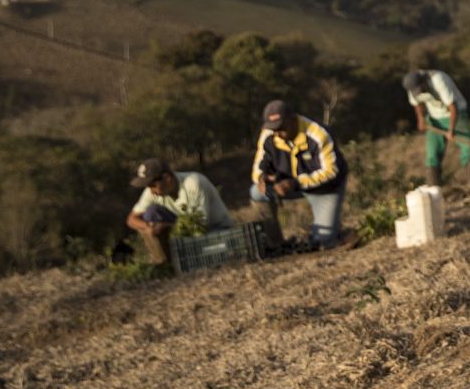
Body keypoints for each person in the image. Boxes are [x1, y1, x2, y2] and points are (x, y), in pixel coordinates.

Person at [248, 98, 354, 250]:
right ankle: (274, 242)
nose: (277, 133)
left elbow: (331, 171)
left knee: (323, 241)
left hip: (324, 188)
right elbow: (258, 166)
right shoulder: (269, 134)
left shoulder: (317, 134)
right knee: (256, 192)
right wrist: (262, 177)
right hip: (286, 184)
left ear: (293, 120)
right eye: (273, 129)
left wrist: (295, 183)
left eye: (281, 128)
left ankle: (333, 232)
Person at [123, 157, 233, 266]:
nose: (151, 190)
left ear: (166, 178)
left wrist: (168, 226)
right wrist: (148, 227)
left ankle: (190, 257)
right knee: (151, 213)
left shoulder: (193, 182)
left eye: (152, 185)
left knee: (217, 250)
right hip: (184, 229)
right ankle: (165, 263)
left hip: (214, 229)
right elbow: (131, 219)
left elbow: (200, 225)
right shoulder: (152, 192)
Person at [404, 68, 470, 187]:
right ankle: (435, 191)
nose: (420, 92)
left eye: (421, 88)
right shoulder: (412, 87)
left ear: (424, 81)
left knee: (467, 149)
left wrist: (451, 129)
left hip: (456, 114)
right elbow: (416, 103)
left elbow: (453, 107)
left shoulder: (438, 80)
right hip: (434, 118)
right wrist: (421, 119)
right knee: (432, 154)